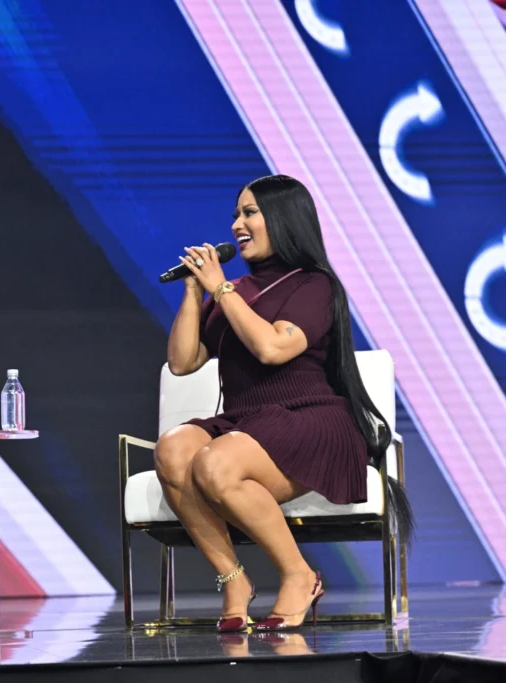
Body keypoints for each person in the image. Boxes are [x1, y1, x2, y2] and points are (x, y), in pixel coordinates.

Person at [155, 174, 411, 633]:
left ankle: (299, 575)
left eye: (249, 213)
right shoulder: (230, 292)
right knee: (173, 448)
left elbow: (273, 348)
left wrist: (222, 290)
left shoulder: (314, 285)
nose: (237, 224)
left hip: (309, 418)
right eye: (236, 213)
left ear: (285, 219)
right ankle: (235, 581)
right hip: (245, 420)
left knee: (214, 464)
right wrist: (195, 294)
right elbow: (182, 362)